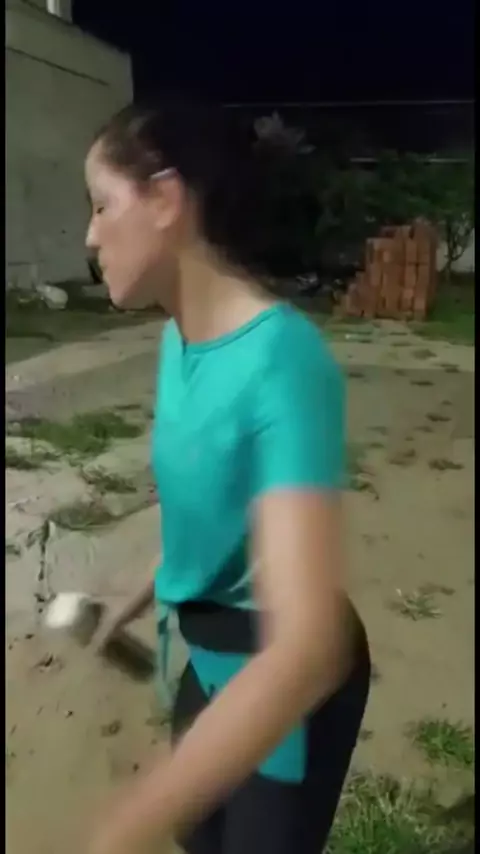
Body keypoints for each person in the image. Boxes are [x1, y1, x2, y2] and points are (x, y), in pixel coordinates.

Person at [85, 99, 371, 854]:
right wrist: (135, 596)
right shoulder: (178, 343)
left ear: (165, 201)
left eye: (102, 205)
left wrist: (121, 830)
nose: (90, 235)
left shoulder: (283, 361)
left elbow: (309, 650)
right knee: (199, 832)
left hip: (280, 678)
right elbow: (208, 508)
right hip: (207, 650)